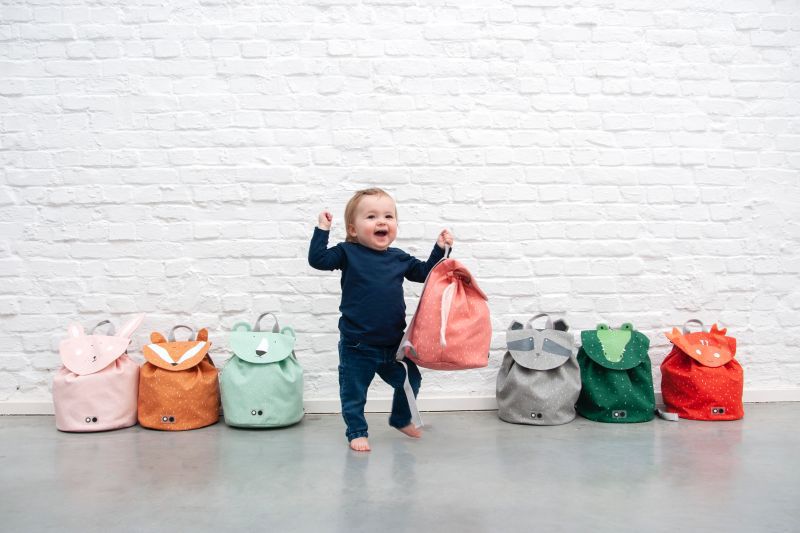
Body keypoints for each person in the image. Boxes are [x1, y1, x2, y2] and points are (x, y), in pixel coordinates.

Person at [308, 188, 454, 451]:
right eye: (371, 216)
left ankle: (401, 419)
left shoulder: (398, 258)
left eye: (388, 216)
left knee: (411, 380)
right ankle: (356, 432)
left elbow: (425, 273)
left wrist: (441, 249)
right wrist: (323, 230)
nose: (381, 221)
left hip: (393, 344)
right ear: (353, 230)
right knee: (354, 393)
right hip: (357, 345)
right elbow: (318, 260)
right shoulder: (347, 252)